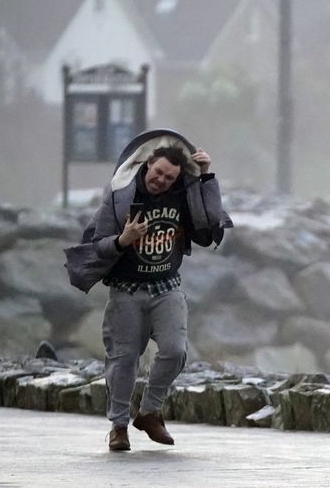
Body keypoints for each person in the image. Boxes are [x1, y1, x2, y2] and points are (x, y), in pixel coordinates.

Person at [67, 129, 231, 452]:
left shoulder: (183, 193)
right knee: (123, 359)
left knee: (175, 350)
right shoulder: (121, 196)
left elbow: (210, 222)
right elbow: (97, 246)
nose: (161, 181)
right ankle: (118, 427)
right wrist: (122, 240)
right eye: (158, 173)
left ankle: (150, 411)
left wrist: (206, 174)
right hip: (126, 291)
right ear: (147, 164)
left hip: (166, 287)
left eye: (169, 177)